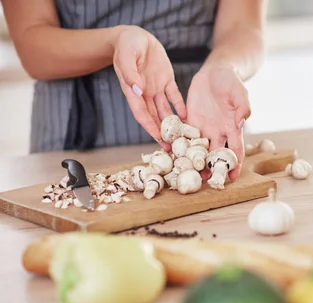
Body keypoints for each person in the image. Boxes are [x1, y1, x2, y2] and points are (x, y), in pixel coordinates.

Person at [1, 0, 266, 181]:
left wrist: (224, 66)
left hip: (207, 123)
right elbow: (30, 44)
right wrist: (115, 41)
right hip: (76, 134)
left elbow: (244, 27)